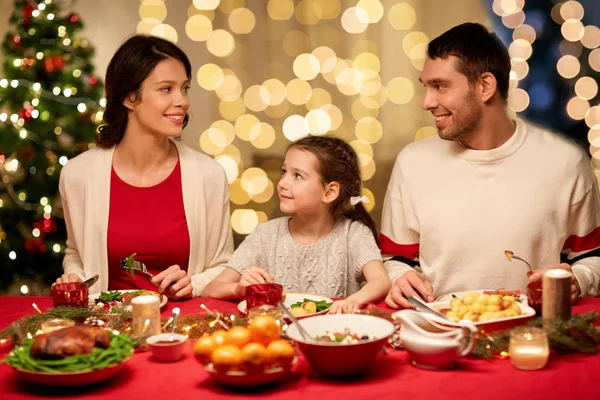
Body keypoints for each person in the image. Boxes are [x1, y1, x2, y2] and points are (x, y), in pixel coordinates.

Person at [380, 22, 600, 309]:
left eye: (440, 86)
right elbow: (395, 260)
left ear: (485, 86)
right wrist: (400, 277)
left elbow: (591, 258)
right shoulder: (412, 163)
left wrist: (578, 279)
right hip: (442, 332)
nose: (427, 102)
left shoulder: (566, 163)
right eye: (427, 86)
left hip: (532, 336)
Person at [54, 35, 234, 298]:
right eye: (166, 89)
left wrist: (194, 284)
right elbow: (76, 253)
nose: (182, 100)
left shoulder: (210, 176)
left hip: (182, 327)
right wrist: (77, 279)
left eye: (184, 88)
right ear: (129, 98)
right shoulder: (77, 175)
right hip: (106, 328)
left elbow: (223, 265)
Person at [202, 136, 391, 313]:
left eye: (298, 176)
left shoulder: (353, 234)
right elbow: (211, 289)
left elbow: (381, 281)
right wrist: (238, 288)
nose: (283, 183)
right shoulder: (266, 235)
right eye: (284, 172)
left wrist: (353, 301)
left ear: (330, 192)